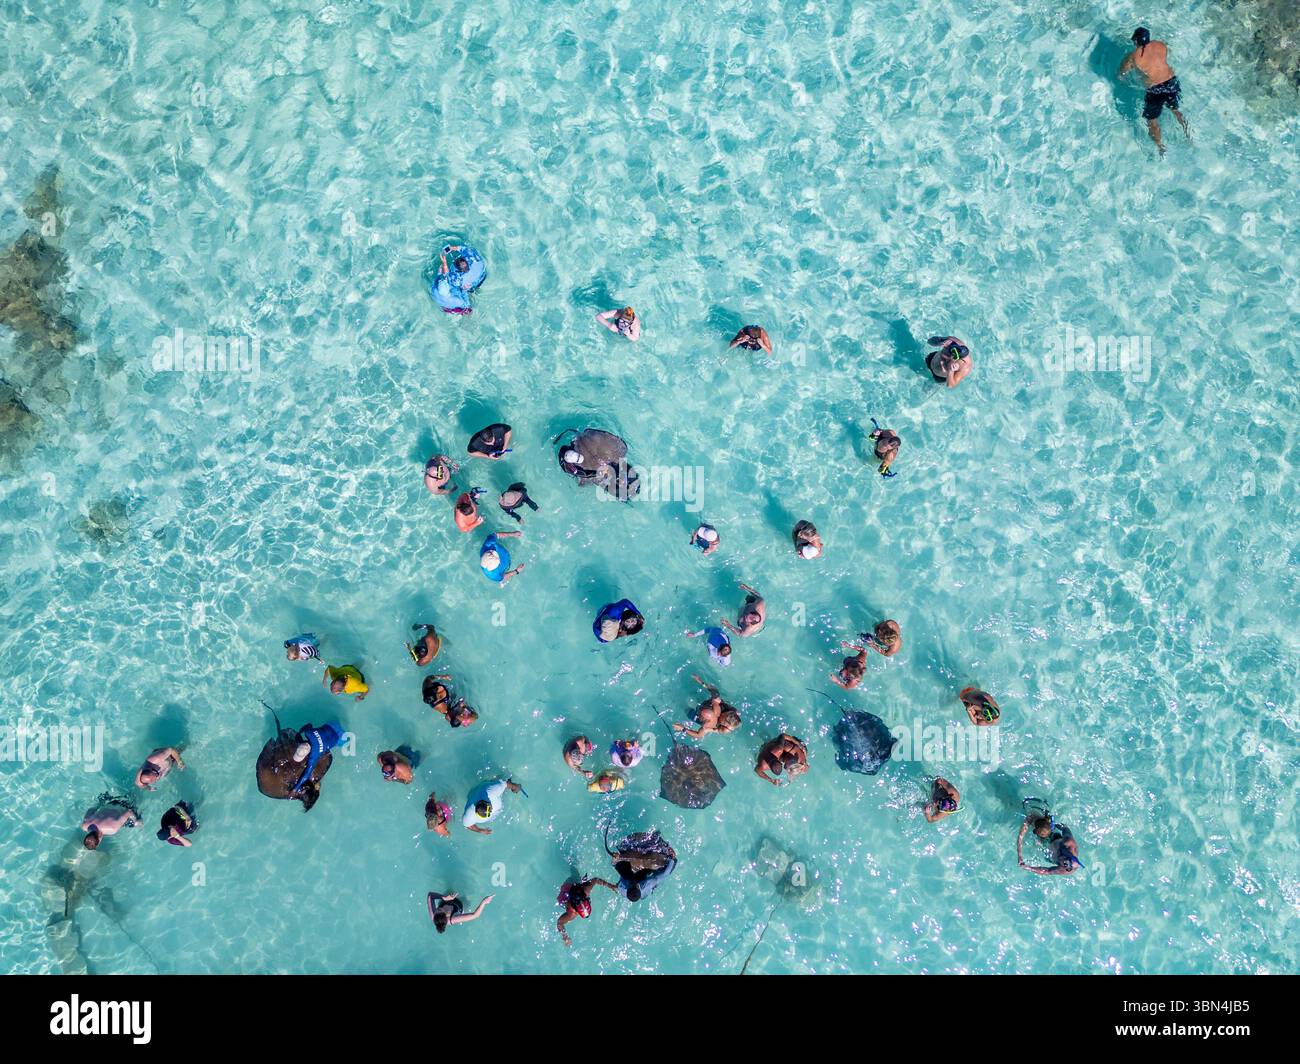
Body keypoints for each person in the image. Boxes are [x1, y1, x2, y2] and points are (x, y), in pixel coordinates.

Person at [1119, 27, 1191, 156]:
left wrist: (1121, 79)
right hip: (1171, 81)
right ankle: (1188, 135)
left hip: (1155, 89)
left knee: (1152, 120)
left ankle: (1160, 146)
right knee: (1176, 110)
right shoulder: (1161, 45)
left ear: (1136, 41)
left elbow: (1123, 72)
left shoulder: (1134, 56)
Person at [611, 832, 677, 902]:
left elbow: (618, 883)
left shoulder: (622, 888)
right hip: (642, 879)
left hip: (631, 877)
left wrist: (616, 859)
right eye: (634, 885)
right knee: (661, 862)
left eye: (631, 884)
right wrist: (672, 858)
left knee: (617, 861)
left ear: (628, 888)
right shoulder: (648, 884)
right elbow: (665, 874)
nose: (633, 883)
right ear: (638, 887)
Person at [1018, 807, 1084, 876]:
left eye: (1063, 863)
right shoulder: (1069, 842)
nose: (1061, 859)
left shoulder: (1065, 869)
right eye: (1064, 858)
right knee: (1042, 830)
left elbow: (1047, 871)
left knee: (1039, 840)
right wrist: (1055, 824)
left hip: (1048, 852)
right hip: (1055, 838)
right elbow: (1064, 827)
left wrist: (1028, 868)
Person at [289, 721, 347, 794]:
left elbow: (307, 774)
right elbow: (309, 724)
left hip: (339, 736)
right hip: (332, 724)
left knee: (344, 742)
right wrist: (299, 732)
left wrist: (295, 789)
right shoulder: (308, 733)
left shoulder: (315, 755)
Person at [673, 676, 742, 738]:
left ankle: (680, 703)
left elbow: (699, 735)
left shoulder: (714, 725)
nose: (724, 713)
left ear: (723, 723)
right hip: (707, 706)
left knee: (682, 705)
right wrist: (701, 682)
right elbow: (715, 692)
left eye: (723, 716)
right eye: (726, 713)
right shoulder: (731, 710)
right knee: (716, 698)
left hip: (699, 717)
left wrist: (682, 729)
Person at [556, 877, 617, 947]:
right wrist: (565, 937)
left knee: (577, 877)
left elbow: (596, 880)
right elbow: (559, 923)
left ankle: (582, 880)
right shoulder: (572, 913)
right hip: (564, 896)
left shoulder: (585, 891)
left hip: (569, 885)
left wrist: (611, 886)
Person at [427, 890, 494, 933]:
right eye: (440, 910)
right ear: (445, 915)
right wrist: (484, 902)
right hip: (461, 904)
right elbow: (475, 915)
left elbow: (430, 895)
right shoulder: (453, 919)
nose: (436, 910)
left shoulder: (434, 916)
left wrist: (444, 897)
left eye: (436, 911)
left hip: (447, 899)